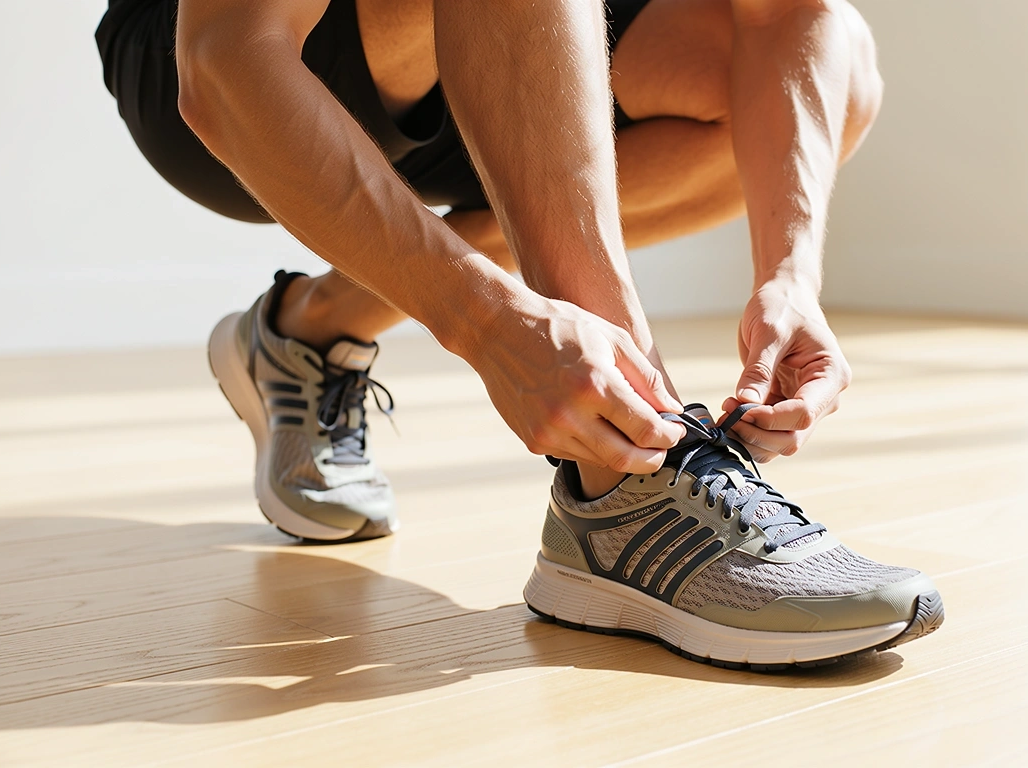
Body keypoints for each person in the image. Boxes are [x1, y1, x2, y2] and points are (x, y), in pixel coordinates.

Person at [94, 0, 943, 669]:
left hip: (524, 48)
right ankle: (623, 475)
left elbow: (790, 17)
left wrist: (789, 274)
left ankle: (315, 328)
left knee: (840, 76)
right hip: (227, 58)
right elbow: (226, 56)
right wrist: (486, 323)